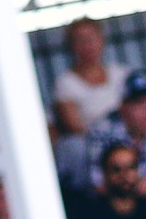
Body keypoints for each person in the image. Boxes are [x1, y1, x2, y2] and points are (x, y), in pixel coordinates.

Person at [50, 17, 127, 186]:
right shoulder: (65, 83)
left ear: (101, 40)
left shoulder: (120, 73)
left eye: (91, 38)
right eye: (80, 40)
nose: (87, 44)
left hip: (126, 139)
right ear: (71, 46)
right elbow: (72, 125)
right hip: (91, 144)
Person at [81, 71, 146, 196]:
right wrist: (137, 189)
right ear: (123, 107)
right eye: (140, 103)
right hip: (117, 202)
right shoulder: (101, 131)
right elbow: (98, 186)